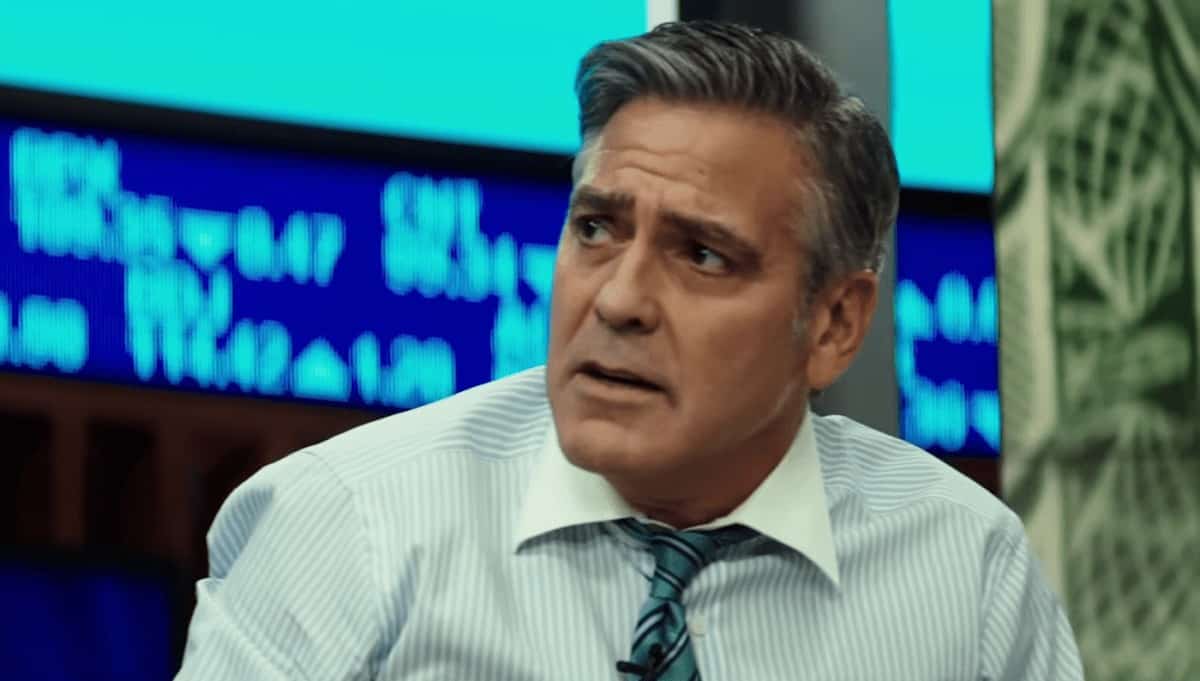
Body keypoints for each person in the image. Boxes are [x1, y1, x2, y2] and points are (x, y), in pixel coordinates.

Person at [175, 21, 1083, 680]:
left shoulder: (965, 571)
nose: (617, 299)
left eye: (702, 255)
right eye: (597, 229)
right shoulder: (345, 523)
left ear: (836, 324)